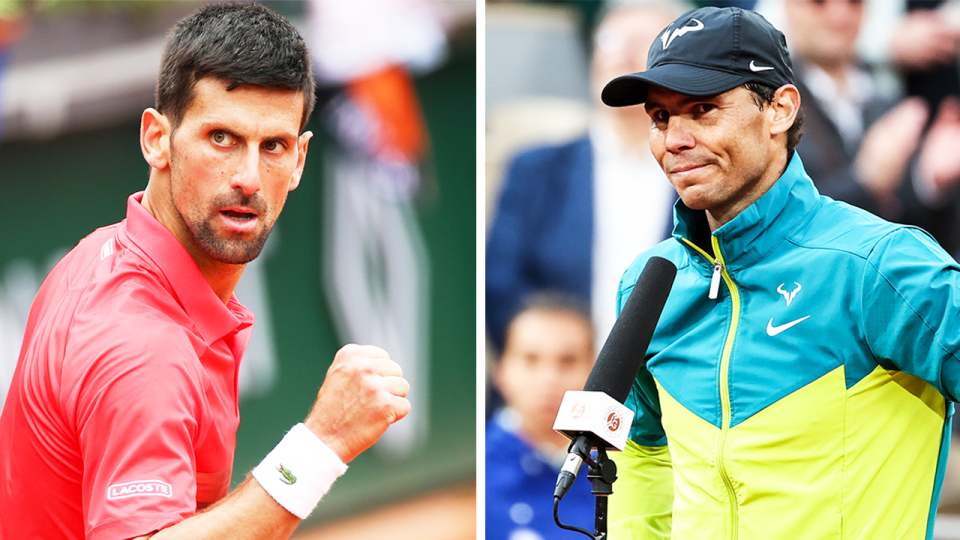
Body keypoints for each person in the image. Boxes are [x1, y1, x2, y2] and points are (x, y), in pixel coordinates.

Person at [0, 4, 411, 540]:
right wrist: (321, 444)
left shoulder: (101, 254)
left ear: (300, 161)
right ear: (156, 139)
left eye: (274, 147)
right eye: (221, 137)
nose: (247, 177)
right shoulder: (142, 347)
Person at [600, 5, 960, 538]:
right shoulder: (650, 284)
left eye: (702, 109)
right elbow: (642, 462)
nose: (673, 139)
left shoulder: (879, 265)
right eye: (660, 117)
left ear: (780, 109)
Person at [485, 4, 679, 355]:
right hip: (555, 388)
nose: (623, 52)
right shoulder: (535, 169)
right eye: (610, 40)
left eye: (645, 43)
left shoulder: (706, 172)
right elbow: (499, 287)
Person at [780, 0, 960, 255]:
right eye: (819, 2)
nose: (839, 14)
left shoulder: (889, 103)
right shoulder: (773, 107)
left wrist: (932, 184)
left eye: (854, 2)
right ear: (789, 8)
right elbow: (780, 222)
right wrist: (863, 183)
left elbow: (927, 241)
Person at [485, 292, 597, 540]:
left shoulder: (625, 467)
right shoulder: (474, 474)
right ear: (501, 370)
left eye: (567, 361)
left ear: (595, 370)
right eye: (530, 359)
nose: (549, 379)